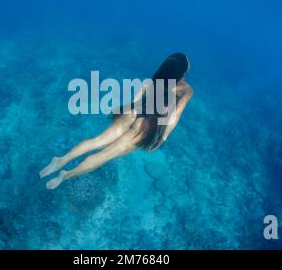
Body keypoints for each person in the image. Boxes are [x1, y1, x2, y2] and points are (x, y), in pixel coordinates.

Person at [40, 53, 194, 189]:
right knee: (106, 154)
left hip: (133, 111)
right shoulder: (186, 90)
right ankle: (66, 175)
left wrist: (131, 112)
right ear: (183, 71)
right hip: (146, 125)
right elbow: (175, 115)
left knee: (97, 140)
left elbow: (139, 94)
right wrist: (162, 137)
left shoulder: (158, 76)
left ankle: (61, 159)